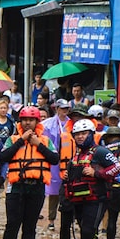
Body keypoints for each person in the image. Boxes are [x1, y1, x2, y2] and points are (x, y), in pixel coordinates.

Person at [0, 106, 59, 239]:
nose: (27, 123)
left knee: (30, 226)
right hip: (16, 187)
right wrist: (22, 140)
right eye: (24, 120)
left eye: (31, 120)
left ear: (36, 121)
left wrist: (38, 144)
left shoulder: (45, 140)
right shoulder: (12, 139)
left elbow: (54, 159)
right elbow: (3, 157)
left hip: (36, 188)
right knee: (12, 225)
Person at [62, 119, 120, 239]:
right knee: (86, 232)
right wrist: (67, 176)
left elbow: (117, 167)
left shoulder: (100, 151)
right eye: (77, 134)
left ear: (91, 134)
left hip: (97, 198)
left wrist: (96, 173)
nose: (80, 137)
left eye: (84, 133)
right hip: (79, 199)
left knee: (88, 231)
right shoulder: (77, 155)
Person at [42, 99, 71, 230]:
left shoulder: (72, 123)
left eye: (66, 109)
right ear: (57, 109)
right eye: (62, 108)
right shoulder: (48, 124)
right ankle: (51, 219)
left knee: (70, 190)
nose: (64, 111)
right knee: (53, 191)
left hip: (69, 161)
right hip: (54, 161)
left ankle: (70, 220)